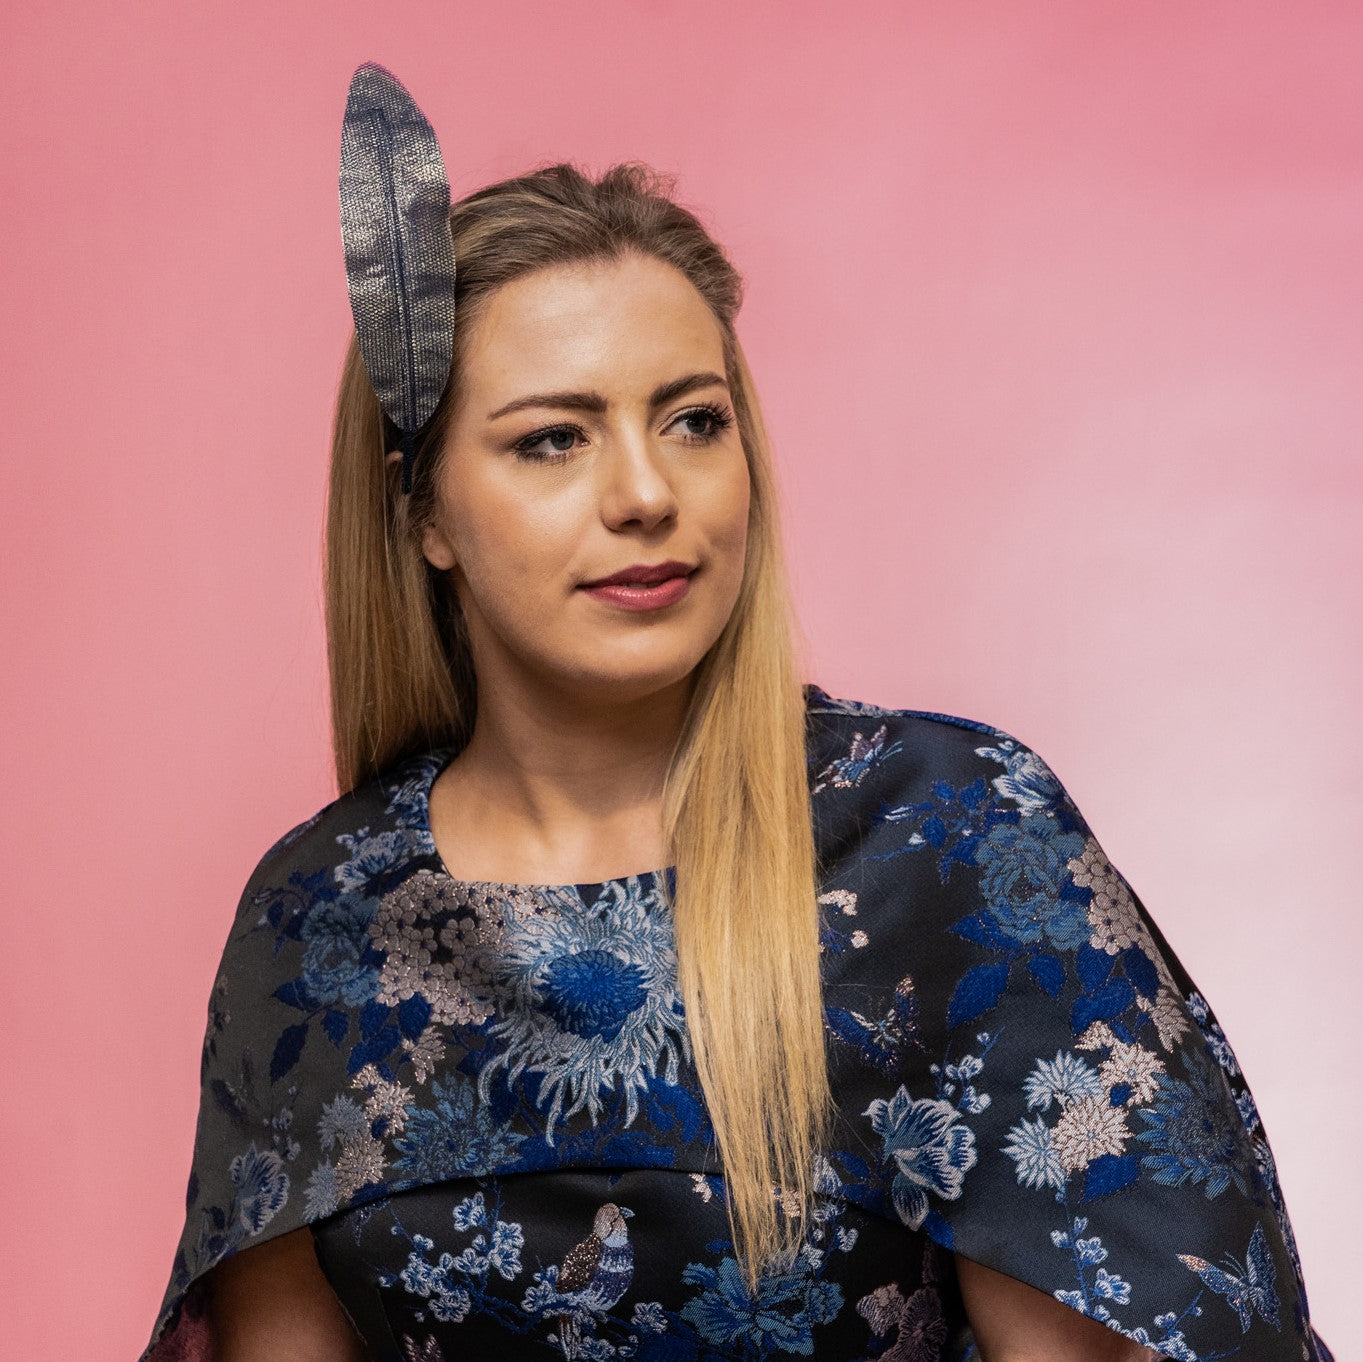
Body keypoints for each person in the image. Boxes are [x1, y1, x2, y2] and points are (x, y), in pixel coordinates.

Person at [139, 66, 1332, 1362]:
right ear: (422, 511)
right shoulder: (319, 918)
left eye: (694, 420)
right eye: (554, 437)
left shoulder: (950, 836)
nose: (647, 491)